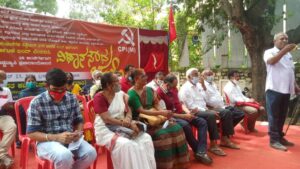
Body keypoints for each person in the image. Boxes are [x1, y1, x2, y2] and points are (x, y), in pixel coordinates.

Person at [26, 68, 97, 169]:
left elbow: (78, 120)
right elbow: (31, 133)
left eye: (63, 89)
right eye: (55, 90)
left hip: (70, 140)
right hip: (46, 142)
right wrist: (56, 137)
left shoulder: (72, 98)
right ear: (46, 85)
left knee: (91, 153)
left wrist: (78, 132)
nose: (59, 92)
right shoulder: (37, 103)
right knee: (64, 155)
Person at [128, 69, 189, 169]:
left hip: (156, 116)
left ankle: (177, 163)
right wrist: (161, 113)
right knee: (163, 135)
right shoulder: (132, 93)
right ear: (136, 79)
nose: (146, 78)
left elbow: (156, 104)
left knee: (177, 128)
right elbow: (142, 111)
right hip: (143, 120)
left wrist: (165, 115)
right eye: (143, 76)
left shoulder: (148, 89)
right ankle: (164, 165)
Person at [93, 72, 156, 169]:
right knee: (128, 145)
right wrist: (127, 124)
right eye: (116, 81)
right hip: (105, 129)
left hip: (122, 125)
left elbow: (128, 110)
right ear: (108, 85)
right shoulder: (99, 97)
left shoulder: (120, 94)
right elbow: (107, 119)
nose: (119, 83)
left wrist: (128, 118)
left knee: (146, 138)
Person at [157, 74, 212, 165]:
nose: (175, 88)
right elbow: (165, 113)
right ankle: (199, 151)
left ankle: (201, 151)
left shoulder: (174, 89)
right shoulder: (159, 93)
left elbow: (181, 104)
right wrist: (183, 116)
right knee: (186, 126)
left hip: (182, 113)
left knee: (202, 122)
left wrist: (187, 113)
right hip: (171, 117)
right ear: (166, 84)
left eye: (176, 85)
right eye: (173, 86)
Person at [179, 68, 233, 156]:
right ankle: (213, 145)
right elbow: (191, 106)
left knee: (226, 112)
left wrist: (204, 87)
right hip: (194, 111)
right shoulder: (185, 89)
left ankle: (224, 139)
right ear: (189, 77)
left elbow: (206, 99)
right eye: (195, 75)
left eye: (198, 74)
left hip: (205, 108)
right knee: (211, 115)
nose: (198, 77)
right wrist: (207, 110)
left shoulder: (197, 86)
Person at [263, 32, 300, 151]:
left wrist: (295, 85)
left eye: (286, 39)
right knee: (274, 116)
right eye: (281, 38)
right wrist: (284, 51)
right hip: (274, 88)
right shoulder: (269, 52)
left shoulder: (288, 55)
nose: (284, 40)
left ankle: (280, 137)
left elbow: (290, 71)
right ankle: (274, 140)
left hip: (286, 89)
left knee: (282, 115)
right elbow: (271, 61)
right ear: (275, 41)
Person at [202, 69, 244, 147]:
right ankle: (224, 139)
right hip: (211, 107)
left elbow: (217, 96)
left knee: (239, 113)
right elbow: (204, 100)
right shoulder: (202, 85)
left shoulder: (213, 84)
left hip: (221, 105)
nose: (210, 76)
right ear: (203, 76)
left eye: (211, 74)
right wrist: (209, 107)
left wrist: (223, 103)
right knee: (227, 113)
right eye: (208, 74)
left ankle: (221, 129)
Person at [17, 75, 46, 148]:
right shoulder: (22, 93)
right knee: (21, 114)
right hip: (27, 114)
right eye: (29, 81)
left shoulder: (42, 90)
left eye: (33, 81)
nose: (31, 82)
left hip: (41, 112)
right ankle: (22, 139)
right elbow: (21, 106)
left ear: (36, 82)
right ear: (25, 83)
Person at [0, 70, 17, 169]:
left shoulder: (6, 90)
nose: (4, 80)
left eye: (5, 77)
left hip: (4, 115)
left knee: (12, 127)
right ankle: (3, 157)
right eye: (2, 77)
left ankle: (1, 155)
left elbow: (11, 106)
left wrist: (7, 106)